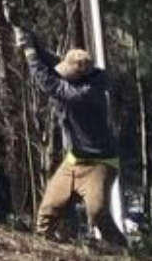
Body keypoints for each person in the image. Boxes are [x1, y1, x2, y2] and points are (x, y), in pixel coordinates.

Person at [13, 24, 123, 244]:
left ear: (79, 75)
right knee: (48, 208)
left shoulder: (87, 94)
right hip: (74, 160)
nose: (63, 74)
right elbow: (54, 63)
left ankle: (123, 252)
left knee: (97, 212)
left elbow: (49, 83)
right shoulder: (85, 76)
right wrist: (28, 34)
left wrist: (30, 52)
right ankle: (41, 247)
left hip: (100, 163)